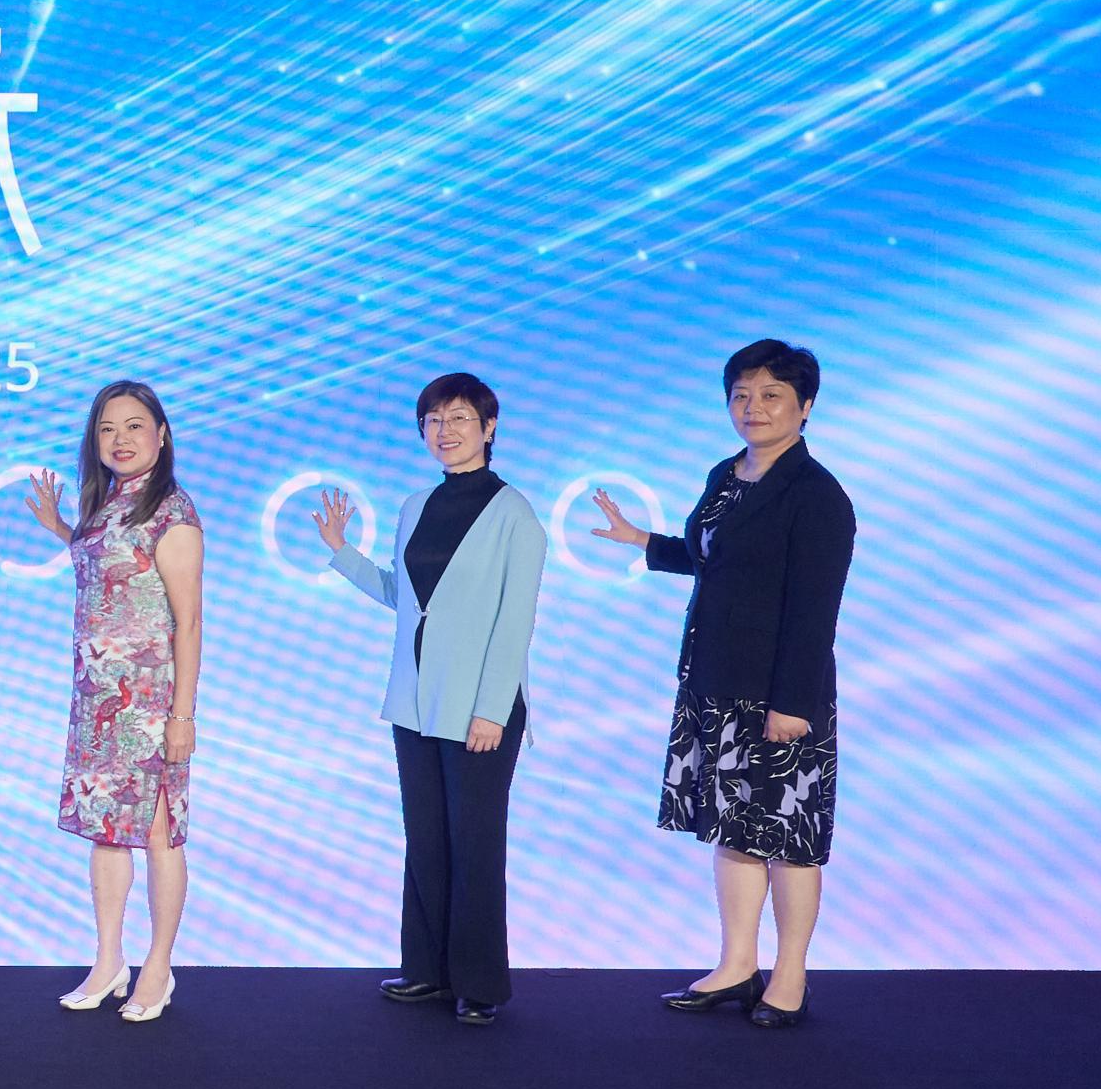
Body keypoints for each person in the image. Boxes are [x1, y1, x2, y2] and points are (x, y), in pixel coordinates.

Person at [590, 338, 855, 1030]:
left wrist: (791, 703)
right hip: (714, 682)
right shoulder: (726, 474)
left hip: (779, 697)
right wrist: (643, 541)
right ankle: (737, 965)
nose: (753, 407)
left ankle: (790, 976)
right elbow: (718, 559)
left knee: (789, 837)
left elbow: (814, 608)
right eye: (741, 394)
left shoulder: (817, 495)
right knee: (733, 830)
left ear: (805, 405)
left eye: (771, 395)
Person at [310, 372, 547, 1026]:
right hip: (415, 702)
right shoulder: (416, 505)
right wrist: (342, 552)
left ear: (489, 427)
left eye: (460, 417)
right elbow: (402, 596)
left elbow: (515, 620)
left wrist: (492, 709)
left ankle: (479, 983)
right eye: (434, 420)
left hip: (480, 708)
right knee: (427, 839)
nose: (446, 431)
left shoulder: (515, 514)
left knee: (475, 845)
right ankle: (427, 971)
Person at [21, 379, 202, 1024]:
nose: (120, 440)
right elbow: (107, 569)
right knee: (105, 831)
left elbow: (188, 622)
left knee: (157, 832)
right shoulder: (103, 506)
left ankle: (158, 966)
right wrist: (61, 528)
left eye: (133, 426)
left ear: (162, 434)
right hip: (97, 697)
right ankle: (108, 961)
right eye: (107, 429)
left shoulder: (173, 512)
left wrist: (182, 716)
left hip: (151, 704)